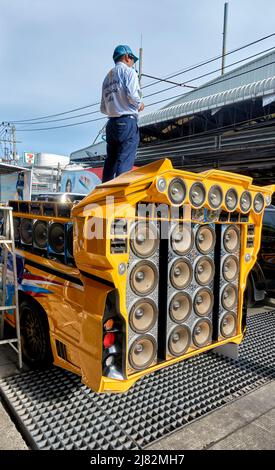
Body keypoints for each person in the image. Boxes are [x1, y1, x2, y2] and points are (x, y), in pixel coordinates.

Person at [100, 45, 145, 182]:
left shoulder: (107, 78)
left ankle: (105, 196)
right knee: (124, 161)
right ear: (127, 57)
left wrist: (115, 107)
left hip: (111, 124)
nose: (132, 63)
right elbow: (132, 95)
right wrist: (139, 105)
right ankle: (119, 197)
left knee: (111, 162)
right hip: (127, 122)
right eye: (132, 59)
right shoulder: (129, 72)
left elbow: (103, 108)